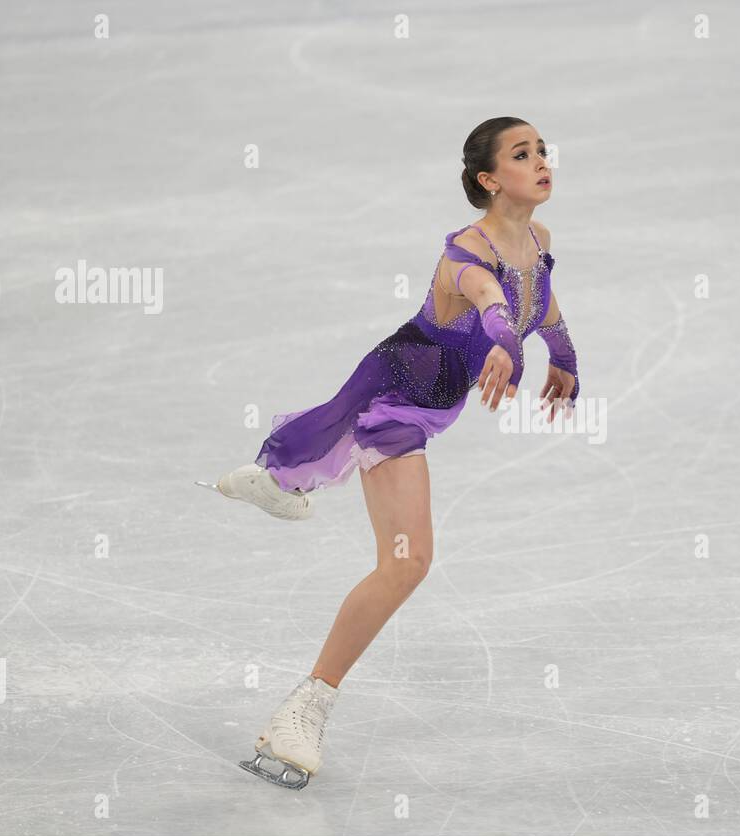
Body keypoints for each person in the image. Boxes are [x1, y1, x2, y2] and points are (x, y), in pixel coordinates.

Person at [202, 117, 582, 788]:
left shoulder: (536, 240)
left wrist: (563, 353)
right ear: (490, 179)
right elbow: (492, 300)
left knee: (370, 522)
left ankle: (278, 484)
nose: (542, 160)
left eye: (542, 150)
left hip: (431, 403)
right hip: (395, 397)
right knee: (407, 562)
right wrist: (502, 341)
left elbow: (537, 302)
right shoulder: (464, 251)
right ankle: (303, 710)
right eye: (523, 154)